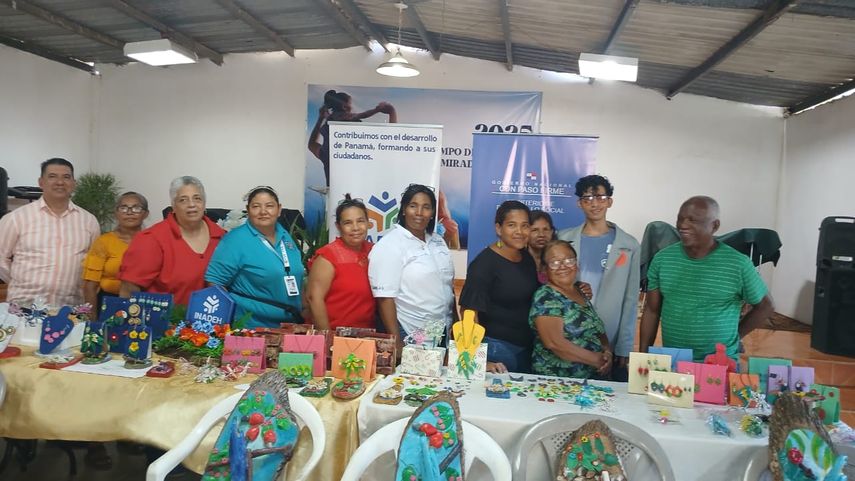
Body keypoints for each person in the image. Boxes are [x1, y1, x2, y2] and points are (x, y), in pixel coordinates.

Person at [639, 196, 774, 362]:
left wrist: (736, 334)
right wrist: (643, 357)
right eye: (680, 219)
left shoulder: (738, 264)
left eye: (692, 220)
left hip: (720, 363)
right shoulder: (662, 260)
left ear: (714, 226)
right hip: (674, 362)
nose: (682, 225)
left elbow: (766, 306)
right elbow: (652, 311)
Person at [557, 175, 640, 381]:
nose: (595, 204)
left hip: (608, 334)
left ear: (610, 201)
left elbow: (630, 300)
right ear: (579, 203)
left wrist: (624, 345)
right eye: (587, 198)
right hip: (569, 331)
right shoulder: (564, 238)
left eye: (600, 197)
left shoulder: (629, 245)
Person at [0, 158, 99, 307]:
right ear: (41, 182)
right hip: (23, 306)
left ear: (74, 183)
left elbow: (93, 264)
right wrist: (20, 281)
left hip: (70, 308)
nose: (60, 182)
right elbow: (1, 258)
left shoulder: (89, 221)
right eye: (52, 176)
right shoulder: (16, 218)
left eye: (66, 177)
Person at [368, 184, 455, 347]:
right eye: (413, 206)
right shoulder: (390, 245)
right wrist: (397, 343)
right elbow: (384, 298)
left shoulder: (438, 241)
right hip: (410, 330)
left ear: (432, 213)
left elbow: (447, 287)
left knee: (434, 370)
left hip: (438, 328)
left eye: (426, 207)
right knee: (415, 370)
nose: (419, 213)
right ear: (403, 210)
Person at [205, 186, 304, 328]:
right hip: (252, 327)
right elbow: (214, 282)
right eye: (256, 206)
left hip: (289, 324)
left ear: (279, 209)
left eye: (269, 206)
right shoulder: (235, 240)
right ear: (248, 209)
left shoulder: (285, 236)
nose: (263, 212)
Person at [119, 176, 225, 305]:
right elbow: (128, 289)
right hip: (162, 321)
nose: (191, 205)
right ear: (173, 206)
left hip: (212, 322)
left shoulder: (223, 237)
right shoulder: (151, 239)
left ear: (204, 203)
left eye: (197, 198)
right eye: (183, 200)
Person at [460, 201, 538, 373]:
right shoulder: (484, 264)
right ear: (498, 228)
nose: (519, 231)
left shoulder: (526, 257)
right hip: (496, 351)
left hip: (524, 348)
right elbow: (468, 314)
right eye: (512, 225)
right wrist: (477, 361)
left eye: (525, 226)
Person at [529, 240, 612, 379]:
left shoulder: (580, 291)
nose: (563, 266)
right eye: (554, 262)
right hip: (558, 385)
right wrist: (597, 360)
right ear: (544, 269)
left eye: (569, 260)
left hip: (589, 383)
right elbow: (554, 343)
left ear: (576, 264)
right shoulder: (546, 296)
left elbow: (596, 331)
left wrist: (607, 352)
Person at [306, 195, 375, 330]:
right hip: (334, 336)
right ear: (338, 226)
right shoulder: (328, 256)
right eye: (348, 223)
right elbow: (314, 298)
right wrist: (327, 338)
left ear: (368, 223)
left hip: (366, 335)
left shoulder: (374, 251)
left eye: (360, 221)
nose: (355, 228)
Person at [307, 89, 397, 186]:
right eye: (350, 104)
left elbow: (311, 144)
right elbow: (390, 145)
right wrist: (390, 112)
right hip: (360, 198)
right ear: (344, 107)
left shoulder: (327, 153)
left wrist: (320, 119)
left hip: (334, 198)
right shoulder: (366, 153)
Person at [82, 192, 150, 309]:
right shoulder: (103, 242)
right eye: (123, 208)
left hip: (148, 303)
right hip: (109, 303)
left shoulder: (153, 241)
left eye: (136, 208)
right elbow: (90, 285)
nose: (129, 212)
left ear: (145, 214)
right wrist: (91, 319)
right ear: (116, 213)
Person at [528, 210, 556, 283]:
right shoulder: (517, 259)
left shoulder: (557, 260)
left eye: (545, 229)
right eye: (535, 230)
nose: (541, 235)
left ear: (551, 232)